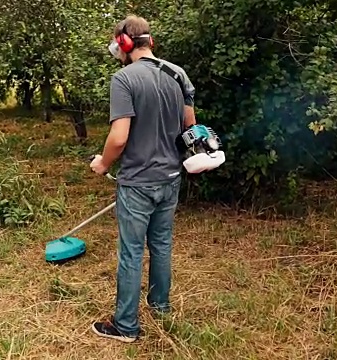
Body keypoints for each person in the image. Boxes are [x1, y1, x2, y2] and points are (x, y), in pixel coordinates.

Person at [89, 15, 197, 343]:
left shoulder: (124, 78)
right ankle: (160, 306)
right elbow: (190, 126)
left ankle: (125, 326)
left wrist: (103, 163)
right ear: (150, 41)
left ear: (123, 43)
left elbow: (119, 137)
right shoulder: (177, 74)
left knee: (132, 252)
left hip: (137, 182)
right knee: (162, 244)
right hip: (171, 177)